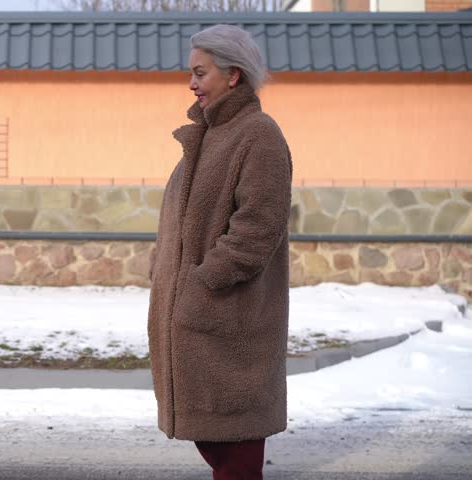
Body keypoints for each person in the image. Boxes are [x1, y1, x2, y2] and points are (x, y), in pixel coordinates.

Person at [147, 24, 292, 480]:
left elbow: (256, 231)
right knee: (222, 454)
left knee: (238, 457)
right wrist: (164, 274)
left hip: (229, 324)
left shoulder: (259, 136)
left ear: (233, 75)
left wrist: (201, 283)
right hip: (195, 323)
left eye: (200, 72)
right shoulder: (206, 137)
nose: (191, 83)